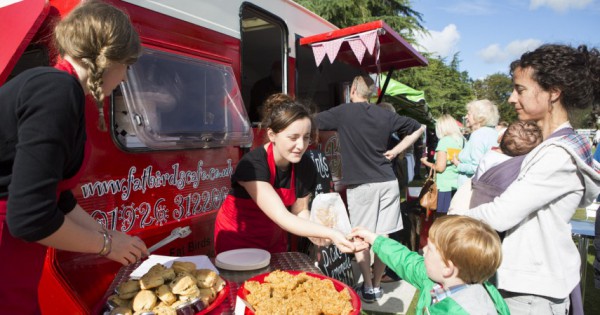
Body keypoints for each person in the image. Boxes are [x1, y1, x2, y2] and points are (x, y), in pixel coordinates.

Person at [0, 1, 149, 313]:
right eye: (128, 66)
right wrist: (107, 245)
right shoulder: (56, 90)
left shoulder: (56, 86)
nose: (123, 78)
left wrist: (110, 236)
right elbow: (31, 218)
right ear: (111, 59)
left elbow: (59, 198)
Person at [459, 44, 600, 314]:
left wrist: (453, 223)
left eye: (520, 89)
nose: (512, 98)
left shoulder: (557, 155)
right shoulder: (553, 146)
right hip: (531, 282)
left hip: (531, 292)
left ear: (554, 92)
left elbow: (501, 214)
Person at [315, 75, 425, 303]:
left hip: (361, 184)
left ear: (352, 89)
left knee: (361, 237)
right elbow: (418, 128)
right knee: (382, 235)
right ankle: (376, 284)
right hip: (387, 181)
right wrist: (396, 150)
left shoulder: (343, 112)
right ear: (372, 93)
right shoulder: (384, 114)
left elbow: (311, 122)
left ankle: (367, 285)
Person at [213, 93, 360, 255]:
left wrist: (317, 234)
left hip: (272, 240)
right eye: (293, 138)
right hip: (237, 239)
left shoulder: (305, 165)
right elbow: (281, 215)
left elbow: (300, 211)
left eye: (306, 138)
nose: (301, 145)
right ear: (272, 135)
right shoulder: (253, 165)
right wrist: (330, 233)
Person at [350, 215, 510, 315]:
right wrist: (374, 239)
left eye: (430, 248)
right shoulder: (439, 280)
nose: (424, 250)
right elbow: (407, 262)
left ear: (448, 267)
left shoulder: (472, 310)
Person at [419, 114, 465, 216]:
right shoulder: (462, 141)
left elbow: (440, 168)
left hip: (444, 186)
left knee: (442, 218)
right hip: (457, 183)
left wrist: (425, 162)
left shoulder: (444, 141)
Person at [451, 99, 499, 187]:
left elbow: (477, 167)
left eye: (468, 114)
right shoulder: (495, 133)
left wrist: (458, 164)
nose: (465, 117)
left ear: (479, 117)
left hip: (470, 188)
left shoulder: (478, 134)